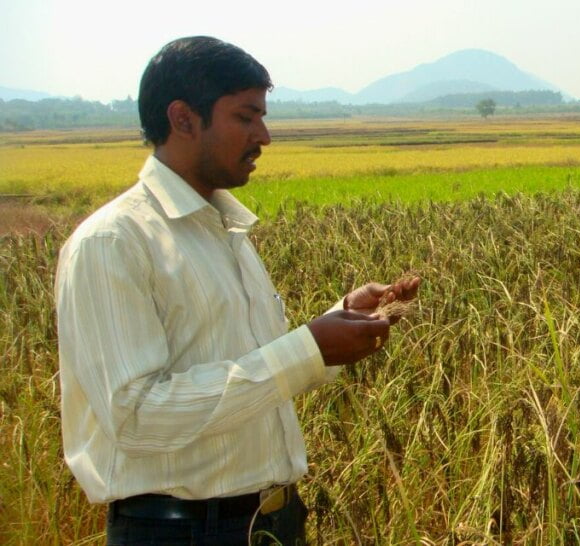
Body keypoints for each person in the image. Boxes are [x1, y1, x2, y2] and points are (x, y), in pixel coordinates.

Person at [55, 36, 420, 545]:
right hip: (181, 532)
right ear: (183, 119)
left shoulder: (223, 231)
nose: (264, 136)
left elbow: (245, 366)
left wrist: (342, 319)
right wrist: (309, 348)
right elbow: (135, 416)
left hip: (269, 524)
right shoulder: (114, 242)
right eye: (246, 117)